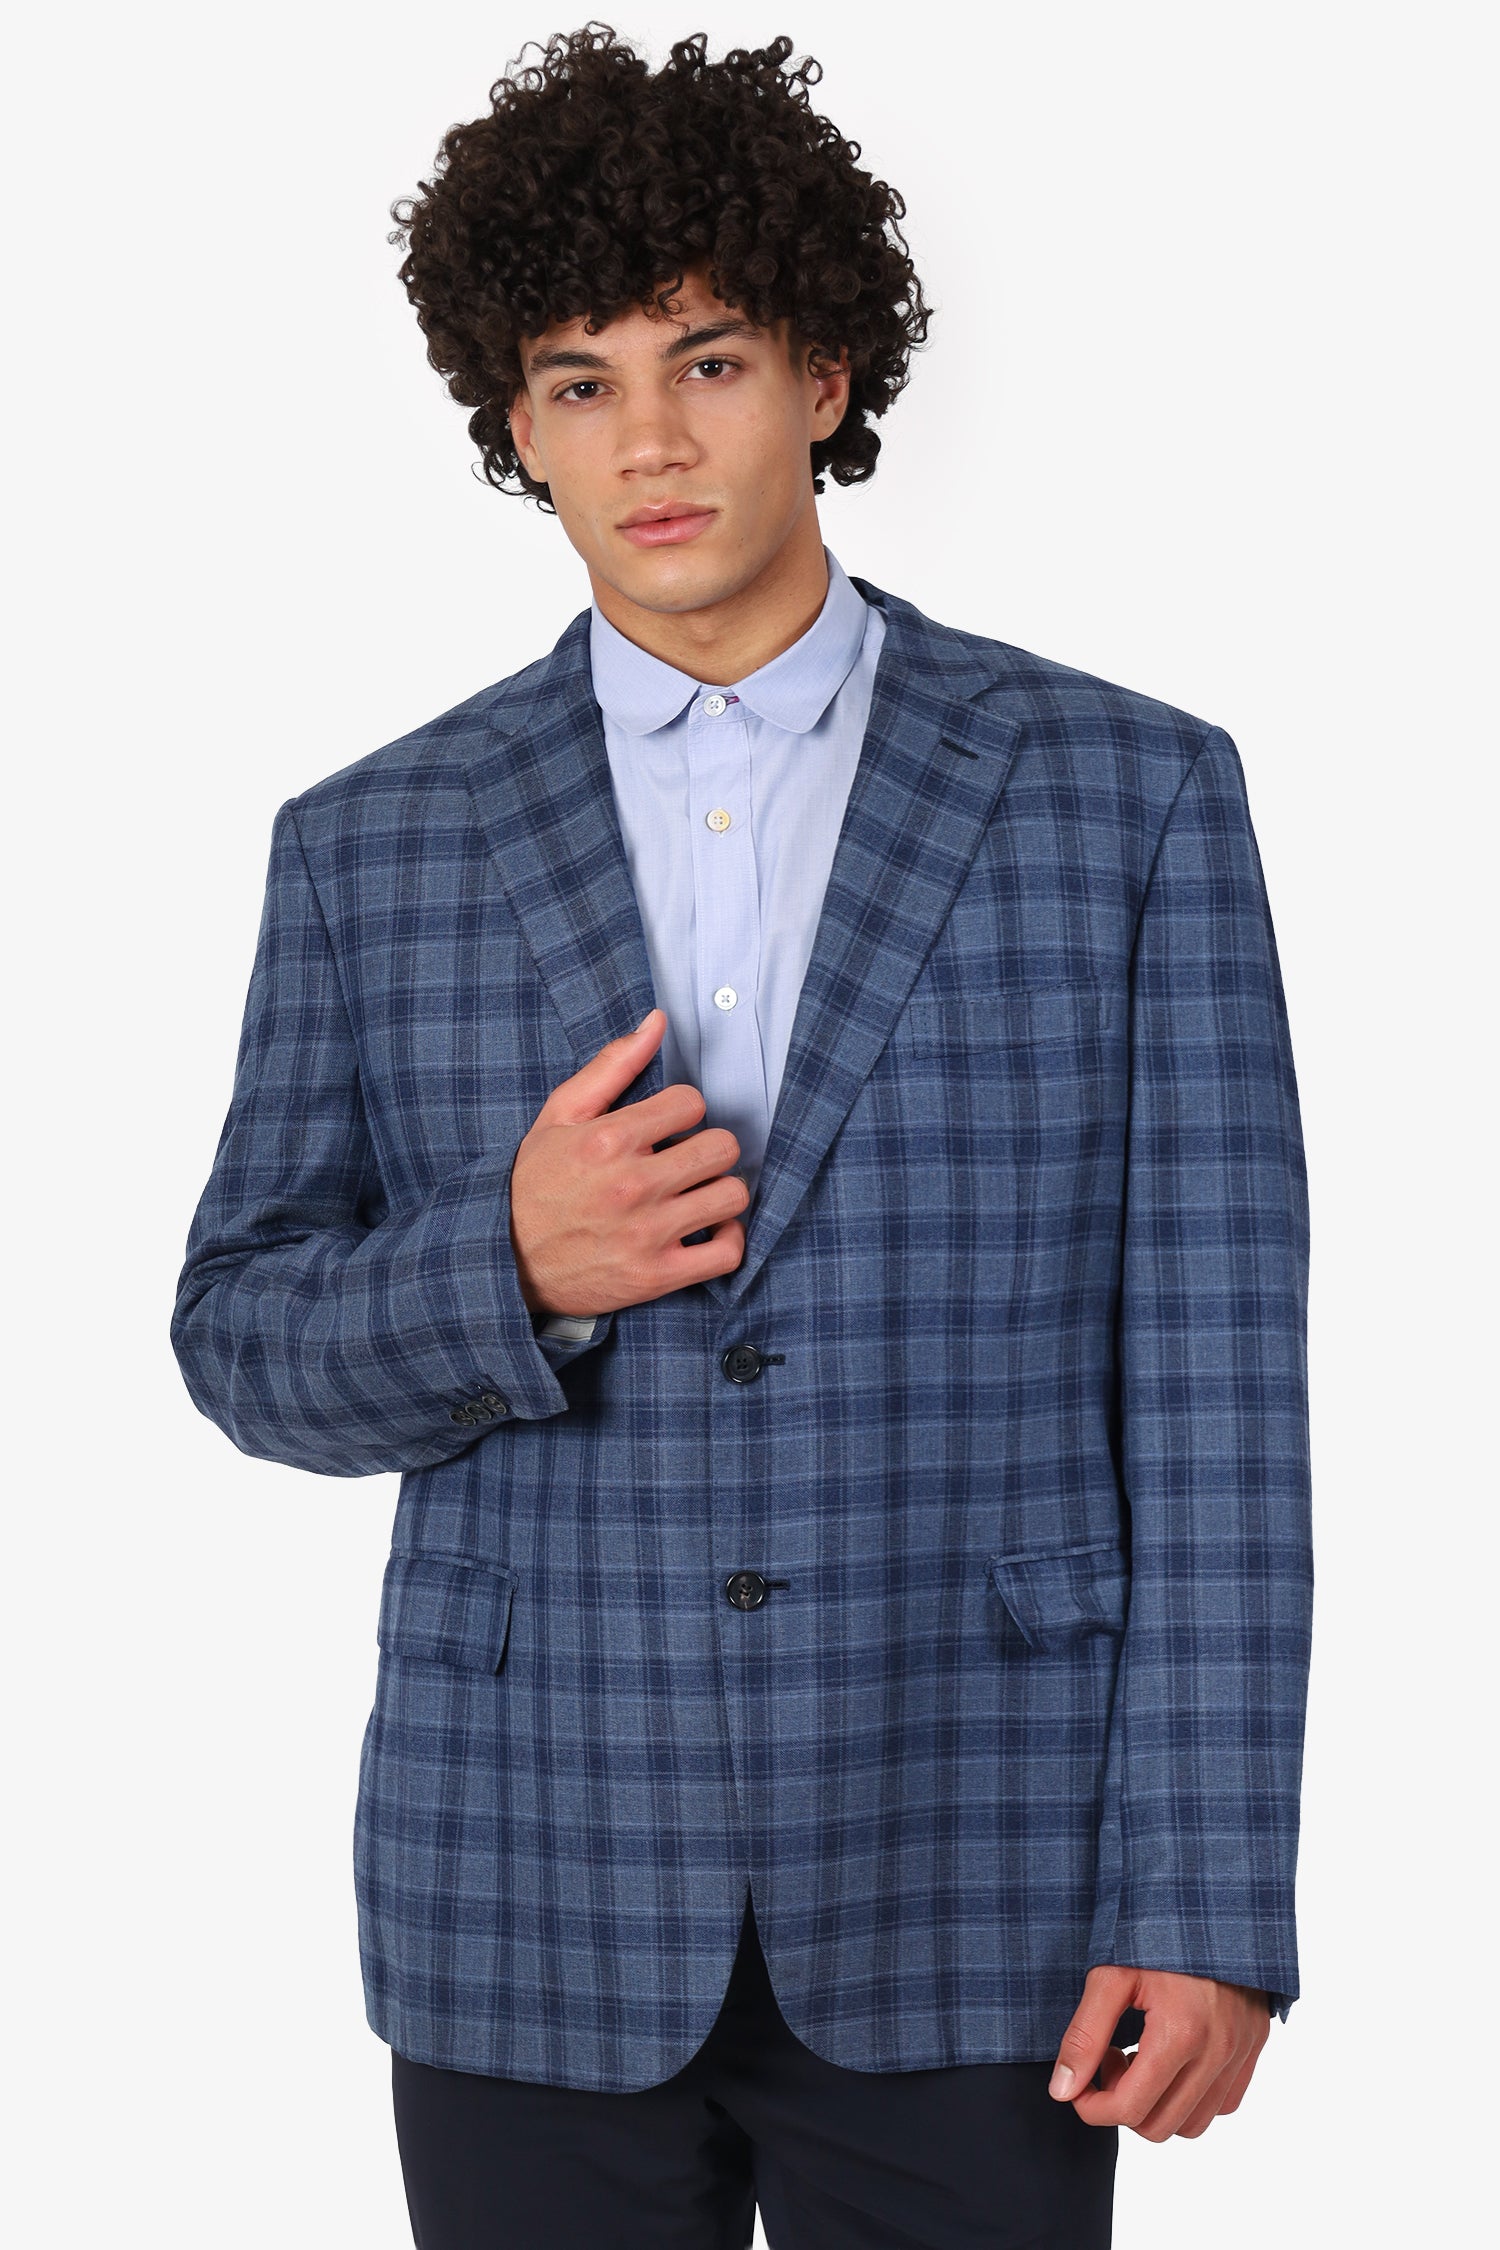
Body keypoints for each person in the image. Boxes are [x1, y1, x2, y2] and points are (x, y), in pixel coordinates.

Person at [170, 25, 1313, 2249]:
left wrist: (1208, 1893)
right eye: (580, 382)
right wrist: (503, 1264)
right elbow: (239, 1337)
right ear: (517, 425)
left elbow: (1218, 1394)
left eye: (707, 361)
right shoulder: (371, 841)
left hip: (980, 1874)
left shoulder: (1129, 797)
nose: (653, 440)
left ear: (824, 374)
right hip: (529, 1886)